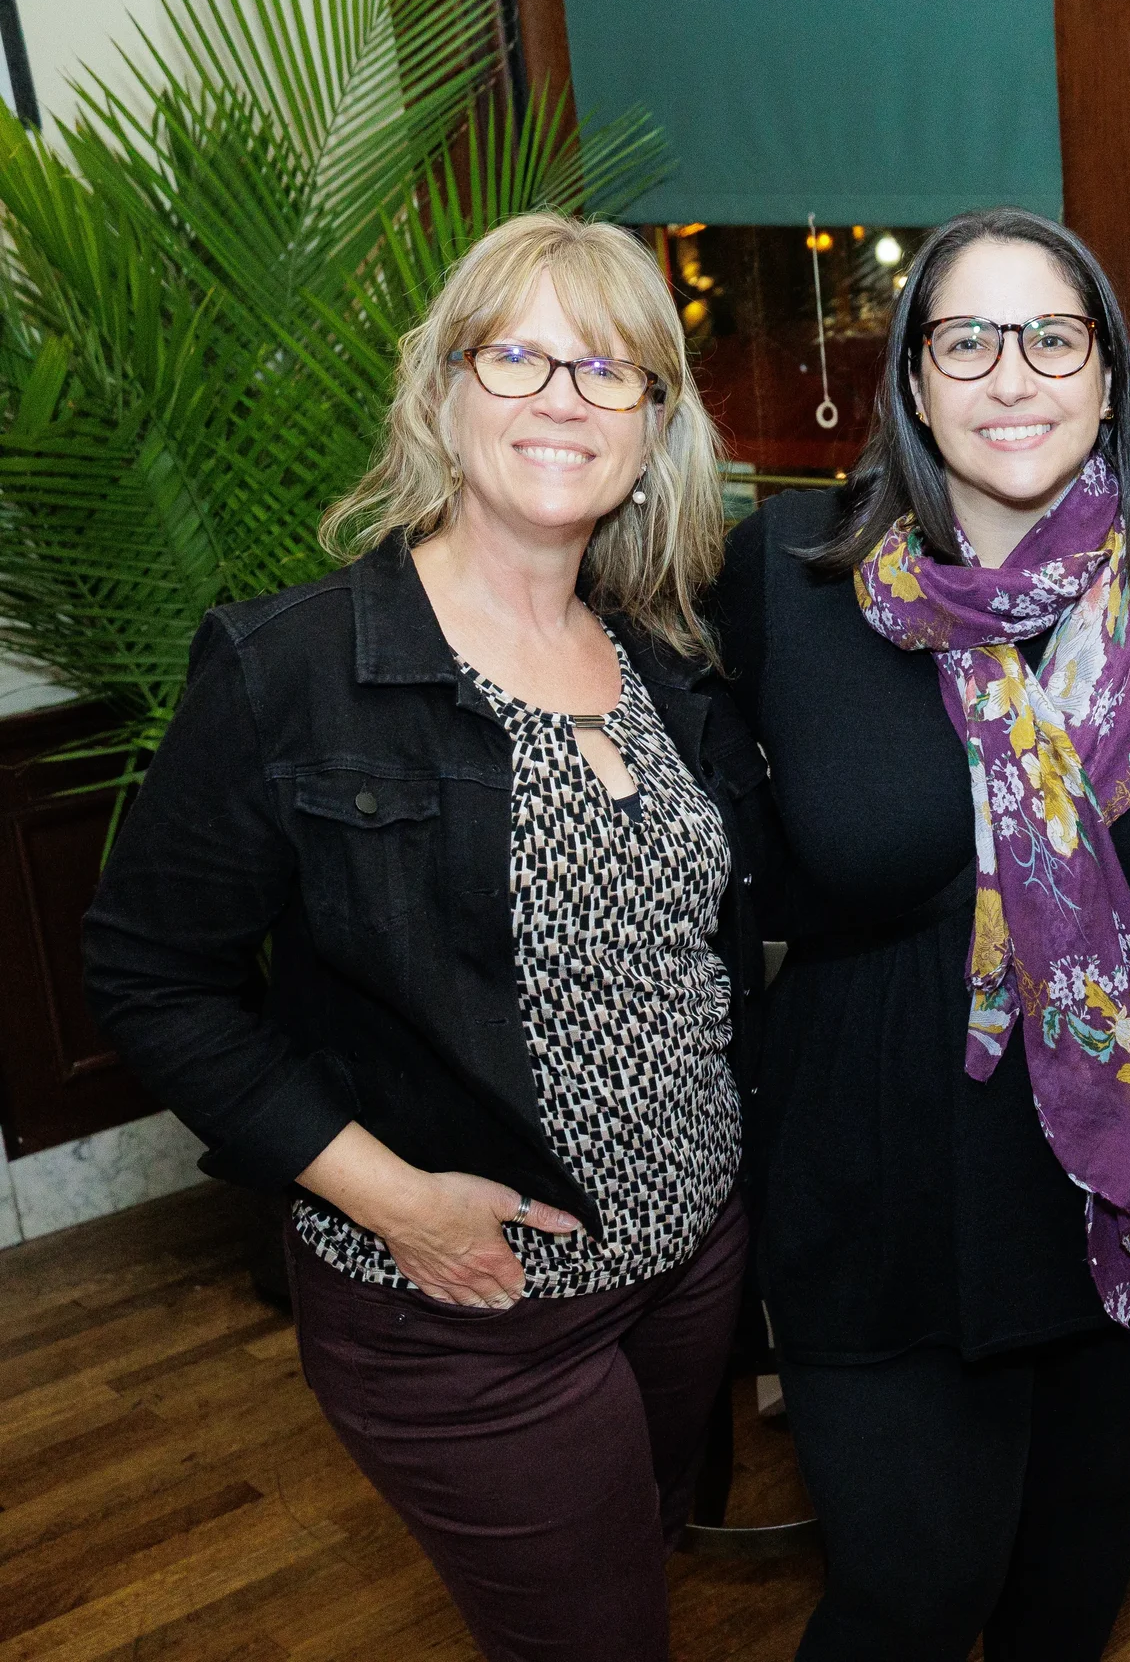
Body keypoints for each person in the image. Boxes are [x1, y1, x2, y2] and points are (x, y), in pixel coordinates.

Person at [83, 213, 774, 1662]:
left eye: (609, 370)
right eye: (515, 354)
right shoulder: (293, 670)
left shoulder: (670, 659)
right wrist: (392, 1199)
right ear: (442, 396)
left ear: (654, 432)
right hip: (463, 1313)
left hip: (688, 1268)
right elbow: (151, 976)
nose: (560, 397)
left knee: (634, 1576)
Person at [710, 205, 1130, 1659]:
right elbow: (720, 849)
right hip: (886, 1185)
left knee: (1069, 1575)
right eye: (964, 339)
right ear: (911, 380)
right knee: (906, 1599)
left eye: (1052, 337)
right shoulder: (789, 575)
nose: (1010, 375)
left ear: (1108, 378)